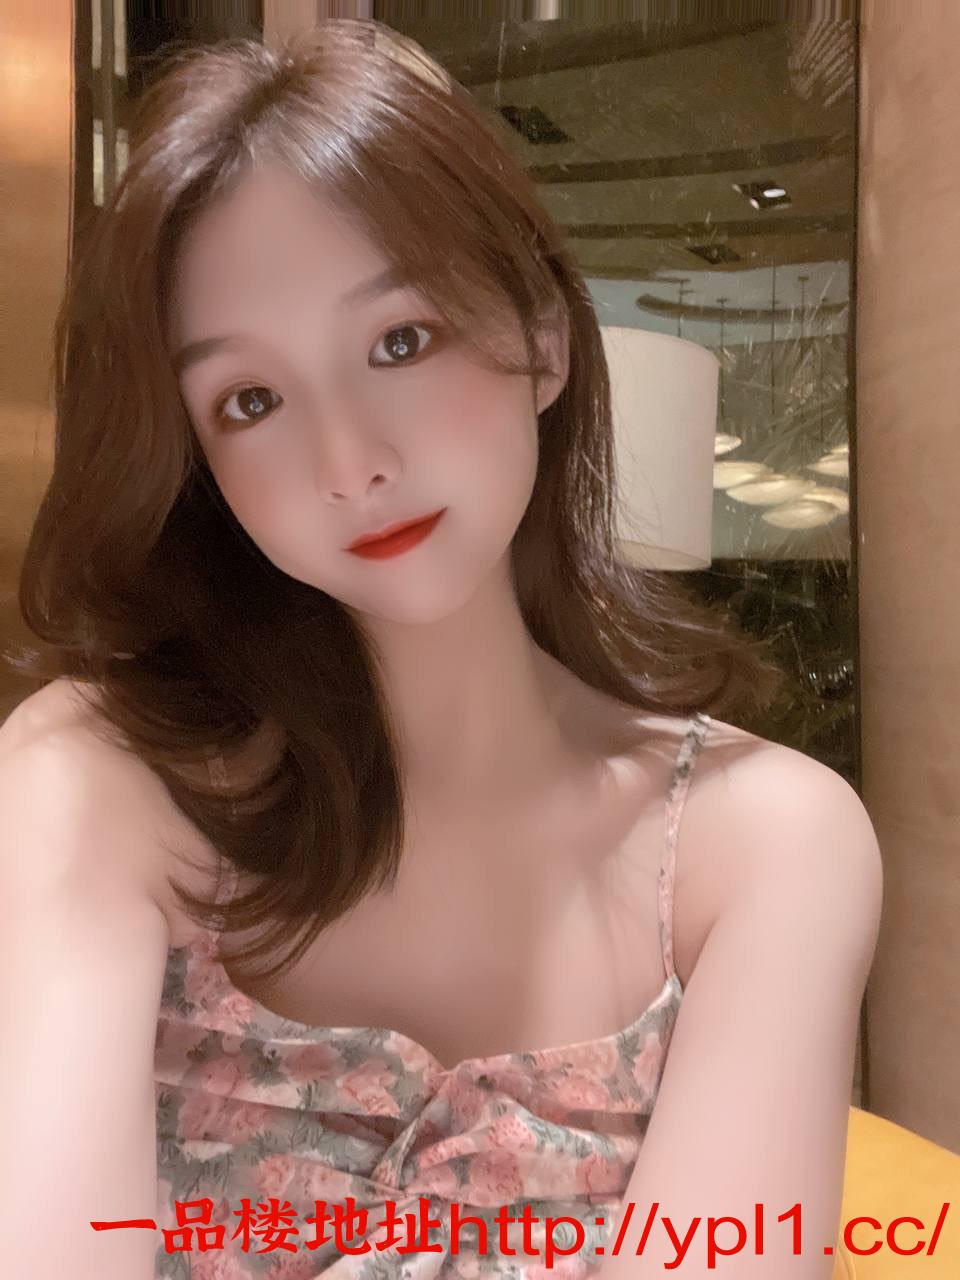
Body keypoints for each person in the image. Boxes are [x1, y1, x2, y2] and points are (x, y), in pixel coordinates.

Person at [0, 20, 882, 1280]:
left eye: (400, 340)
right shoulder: (99, 785)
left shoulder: (762, 848)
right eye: (250, 400)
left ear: (543, 336)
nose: (348, 460)